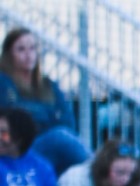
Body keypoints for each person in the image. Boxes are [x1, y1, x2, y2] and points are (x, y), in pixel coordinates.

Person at [0, 29, 90, 176]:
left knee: (64, 143)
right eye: (21, 49)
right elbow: (13, 115)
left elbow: (68, 120)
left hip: (52, 144)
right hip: (23, 146)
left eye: (32, 48)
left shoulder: (48, 85)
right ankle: (102, 171)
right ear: (9, 54)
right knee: (59, 137)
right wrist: (48, 115)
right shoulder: (4, 83)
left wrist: (37, 115)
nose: (28, 54)